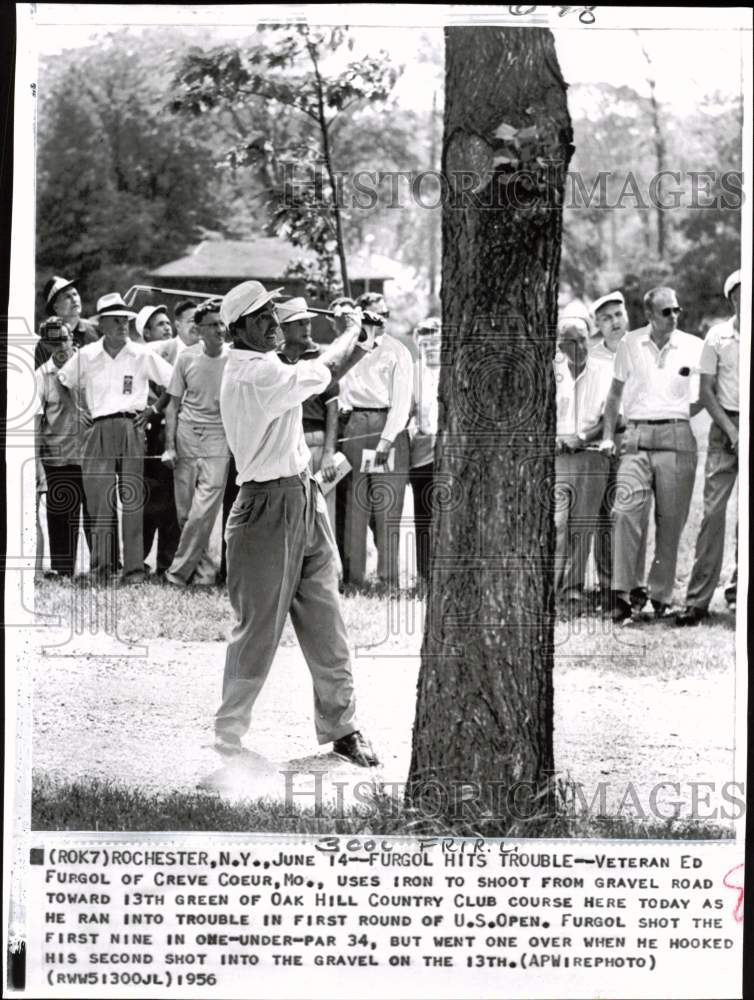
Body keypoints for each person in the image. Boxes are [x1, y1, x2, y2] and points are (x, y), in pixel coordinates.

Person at [214, 279, 380, 767]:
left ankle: (343, 728)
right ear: (237, 331)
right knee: (257, 630)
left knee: (327, 620)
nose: (273, 323)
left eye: (273, 313)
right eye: (261, 317)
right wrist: (350, 326)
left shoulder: (268, 364)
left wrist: (361, 337)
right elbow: (326, 367)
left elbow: (326, 372)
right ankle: (228, 737)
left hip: (303, 495)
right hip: (264, 507)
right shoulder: (253, 374)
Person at [600, 286, 703, 622]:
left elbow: (705, 395)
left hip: (677, 435)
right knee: (625, 511)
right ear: (649, 316)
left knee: (671, 521)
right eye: (666, 312)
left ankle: (660, 595)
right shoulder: (630, 345)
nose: (674, 316)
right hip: (637, 436)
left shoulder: (693, 346)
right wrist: (607, 436)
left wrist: (678, 414)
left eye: (676, 310)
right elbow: (614, 396)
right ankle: (623, 595)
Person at [57, 292, 173, 584]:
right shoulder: (86, 355)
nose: (123, 325)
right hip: (98, 427)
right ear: (104, 323)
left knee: (132, 500)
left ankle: (133, 570)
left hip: (131, 426)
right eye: (117, 320)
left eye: (127, 320)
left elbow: (174, 381)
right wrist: (76, 410)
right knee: (99, 501)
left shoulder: (141, 353)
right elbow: (63, 381)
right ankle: (102, 568)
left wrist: (153, 409)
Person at [676, 269, 741, 625]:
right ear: (732, 299)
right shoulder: (718, 337)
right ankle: (697, 601)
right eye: (741, 294)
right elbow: (706, 392)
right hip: (723, 426)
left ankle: (739, 592)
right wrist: (732, 431)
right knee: (714, 513)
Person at [336, 292, 413, 589]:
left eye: (385, 315)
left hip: (385, 427)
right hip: (355, 425)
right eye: (373, 314)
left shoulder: (397, 351)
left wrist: (386, 440)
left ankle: (388, 579)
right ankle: (354, 578)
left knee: (387, 507)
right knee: (356, 504)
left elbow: (402, 402)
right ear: (361, 314)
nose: (380, 320)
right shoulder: (350, 348)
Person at [162, 299, 230, 587]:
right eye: (213, 325)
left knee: (203, 512)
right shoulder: (186, 358)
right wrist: (170, 446)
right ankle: (203, 574)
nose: (220, 329)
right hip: (187, 435)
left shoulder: (235, 359)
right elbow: (172, 406)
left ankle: (176, 574)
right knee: (185, 513)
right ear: (199, 330)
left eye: (222, 324)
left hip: (219, 438)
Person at [588, 290, 648, 613]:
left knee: (634, 514)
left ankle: (637, 586)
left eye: (618, 315)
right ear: (597, 324)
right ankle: (608, 585)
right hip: (605, 441)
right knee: (605, 516)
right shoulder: (593, 358)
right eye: (606, 318)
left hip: (637, 440)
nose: (614, 323)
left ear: (627, 316)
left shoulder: (643, 348)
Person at [552, 318, 609, 613]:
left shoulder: (603, 371)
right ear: (561, 344)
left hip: (591, 454)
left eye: (585, 339)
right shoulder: (552, 373)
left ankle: (573, 590)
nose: (582, 346)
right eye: (574, 341)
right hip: (558, 457)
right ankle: (551, 588)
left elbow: (611, 418)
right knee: (557, 523)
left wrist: (582, 436)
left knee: (583, 525)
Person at [34, 318, 91, 577]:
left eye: (64, 339)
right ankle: (63, 570)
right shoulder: (40, 377)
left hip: (91, 455)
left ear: (73, 340)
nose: (60, 346)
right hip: (57, 458)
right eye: (53, 341)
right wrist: (37, 463)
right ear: (46, 345)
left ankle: (104, 568)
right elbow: (36, 423)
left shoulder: (90, 365)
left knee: (96, 516)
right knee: (61, 518)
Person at [277, 296, 340, 530]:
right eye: (300, 323)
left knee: (321, 517)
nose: (307, 328)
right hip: (283, 445)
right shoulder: (273, 360)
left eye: (308, 322)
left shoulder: (321, 358)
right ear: (284, 328)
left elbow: (332, 407)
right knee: (289, 517)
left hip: (315, 442)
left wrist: (329, 452)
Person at [138, 305, 181, 577]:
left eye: (168, 323)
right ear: (146, 332)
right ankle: (138, 560)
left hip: (169, 435)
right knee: (145, 503)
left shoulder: (177, 358)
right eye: (159, 325)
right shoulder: (141, 356)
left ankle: (166, 562)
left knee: (171, 503)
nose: (167, 328)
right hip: (146, 436)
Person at [408, 317, 441, 594]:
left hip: (450, 451)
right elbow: (405, 412)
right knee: (424, 515)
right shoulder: (413, 373)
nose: (430, 349)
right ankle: (424, 575)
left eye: (435, 343)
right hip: (422, 451)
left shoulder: (453, 372)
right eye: (425, 344)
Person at [36, 275, 98, 368]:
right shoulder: (46, 342)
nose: (74, 299)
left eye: (75, 294)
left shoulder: (96, 330)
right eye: (67, 296)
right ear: (55, 307)